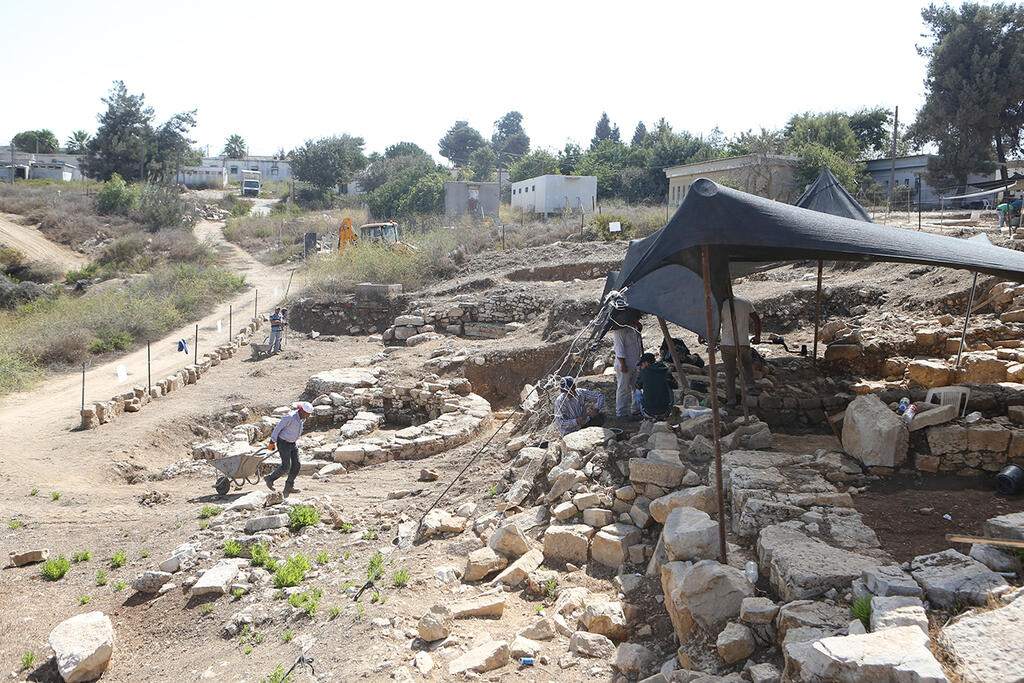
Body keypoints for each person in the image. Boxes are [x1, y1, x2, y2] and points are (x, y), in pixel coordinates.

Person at [719, 297, 761, 407]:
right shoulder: (745, 302)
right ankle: (751, 387)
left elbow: (715, 324)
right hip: (743, 343)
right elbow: (756, 319)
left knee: (730, 372)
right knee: (747, 365)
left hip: (727, 343)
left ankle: (731, 400)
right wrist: (757, 336)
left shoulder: (721, 305)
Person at [265, 401, 312, 495]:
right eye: (307, 414)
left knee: (297, 465)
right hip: (283, 443)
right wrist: (272, 441)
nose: (308, 416)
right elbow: (278, 428)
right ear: (302, 411)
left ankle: (289, 486)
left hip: (292, 443)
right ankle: (270, 478)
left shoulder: (302, 418)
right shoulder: (289, 417)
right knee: (286, 466)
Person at [611, 311, 642, 420]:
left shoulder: (634, 330)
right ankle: (621, 413)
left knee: (636, 387)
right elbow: (619, 350)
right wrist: (623, 364)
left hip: (635, 363)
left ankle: (636, 409)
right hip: (625, 364)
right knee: (623, 389)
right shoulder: (619, 332)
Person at [634, 352, 678, 420]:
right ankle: (666, 411)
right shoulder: (665, 370)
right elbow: (675, 385)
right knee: (669, 386)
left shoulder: (643, 372)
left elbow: (637, 386)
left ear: (646, 363)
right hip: (666, 411)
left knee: (637, 392)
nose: (641, 367)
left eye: (642, 364)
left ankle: (645, 414)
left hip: (648, 413)